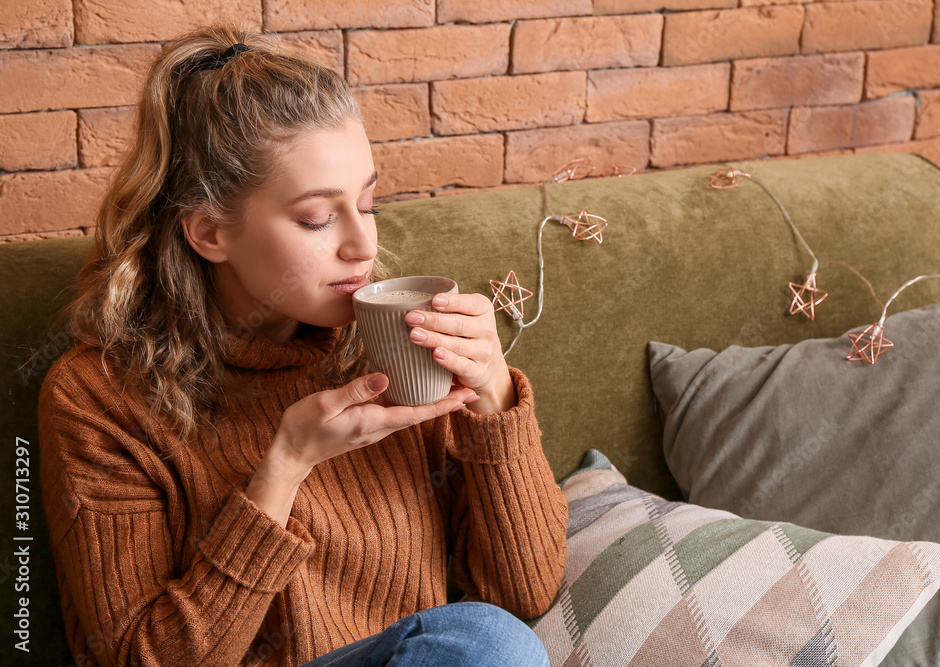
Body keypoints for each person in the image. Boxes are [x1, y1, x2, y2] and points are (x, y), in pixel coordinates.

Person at [36, 25, 568, 667]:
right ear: (209, 232)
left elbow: (522, 592)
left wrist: (492, 395)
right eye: (318, 218)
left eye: (368, 203)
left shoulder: (394, 346)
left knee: (489, 639)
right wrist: (284, 466)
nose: (363, 245)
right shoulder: (98, 397)